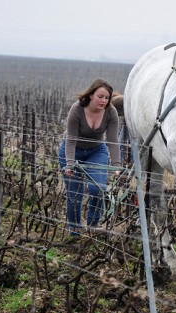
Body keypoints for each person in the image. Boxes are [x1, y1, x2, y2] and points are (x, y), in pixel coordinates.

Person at [58, 78, 121, 236]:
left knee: (97, 188)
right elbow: (71, 140)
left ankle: (93, 226)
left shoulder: (111, 112)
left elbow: (113, 140)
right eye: (100, 96)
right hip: (73, 151)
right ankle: (75, 231)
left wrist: (116, 165)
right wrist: (70, 164)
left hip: (96, 151)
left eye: (107, 98)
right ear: (91, 95)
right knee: (74, 193)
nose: (103, 101)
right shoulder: (77, 109)